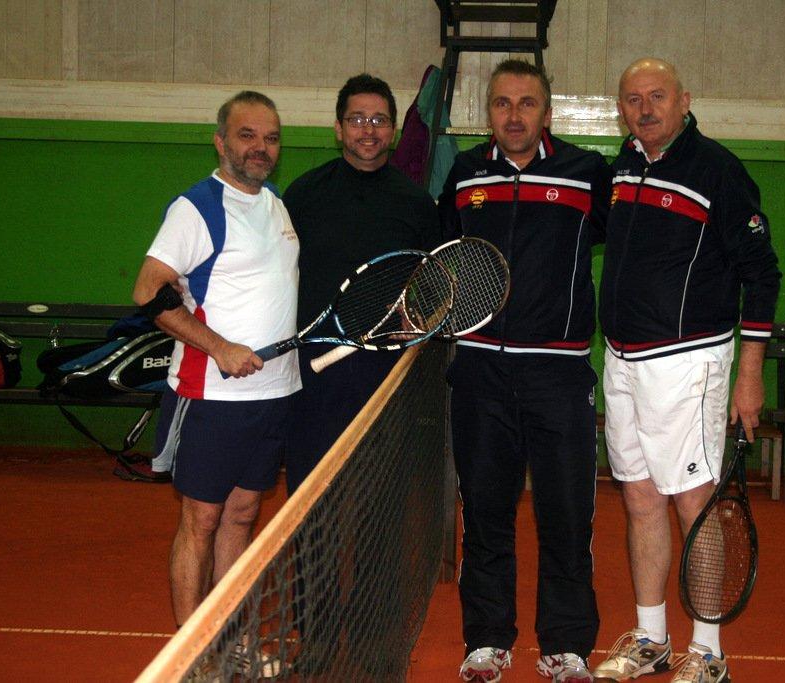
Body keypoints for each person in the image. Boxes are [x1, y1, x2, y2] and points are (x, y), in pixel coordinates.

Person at [591, 58, 781, 683]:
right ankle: (651, 640)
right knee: (640, 498)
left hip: (690, 364)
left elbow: (763, 274)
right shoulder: (624, 166)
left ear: (684, 100)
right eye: (633, 99)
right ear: (621, 109)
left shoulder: (718, 171)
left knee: (694, 505)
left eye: (657, 96)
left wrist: (749, 373)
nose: (645, 109)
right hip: (622, 360)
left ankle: (707, 652)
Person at [438, 59, 612, 683]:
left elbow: (625, 244)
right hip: (480, 373)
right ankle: (487, 640)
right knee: (485, 514)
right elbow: (443, 259)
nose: (514, 116)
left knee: (566, 516)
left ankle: (566, 645)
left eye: (527, 103)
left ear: (548, 112)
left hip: (559, 376)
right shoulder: (464, 175)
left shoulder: (587, 172)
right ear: (487, 111)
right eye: (502, 103)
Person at [132, 91, 301, 627]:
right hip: (211, 396)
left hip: (274, 393)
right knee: (202, 520)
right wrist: (219, 347)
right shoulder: (197, 207)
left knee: (243, 515)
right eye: (247, 135)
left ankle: (232, 643)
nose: (260, 147)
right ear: (221, 142)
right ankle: (193, 654)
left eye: (271, 138)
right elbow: (149, 292)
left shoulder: (275, 203)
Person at [280, 73, 439, 494]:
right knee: (312, 493)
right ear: (338, 128)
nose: (368, 130)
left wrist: (418, 322)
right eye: (357, 119)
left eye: (379, 120)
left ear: (393, 130)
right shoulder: (303, 195)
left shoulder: (418, 204)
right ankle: (315, 544)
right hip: (314, 367)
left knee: (381, 496)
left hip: (385, 370)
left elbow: (432, 283)